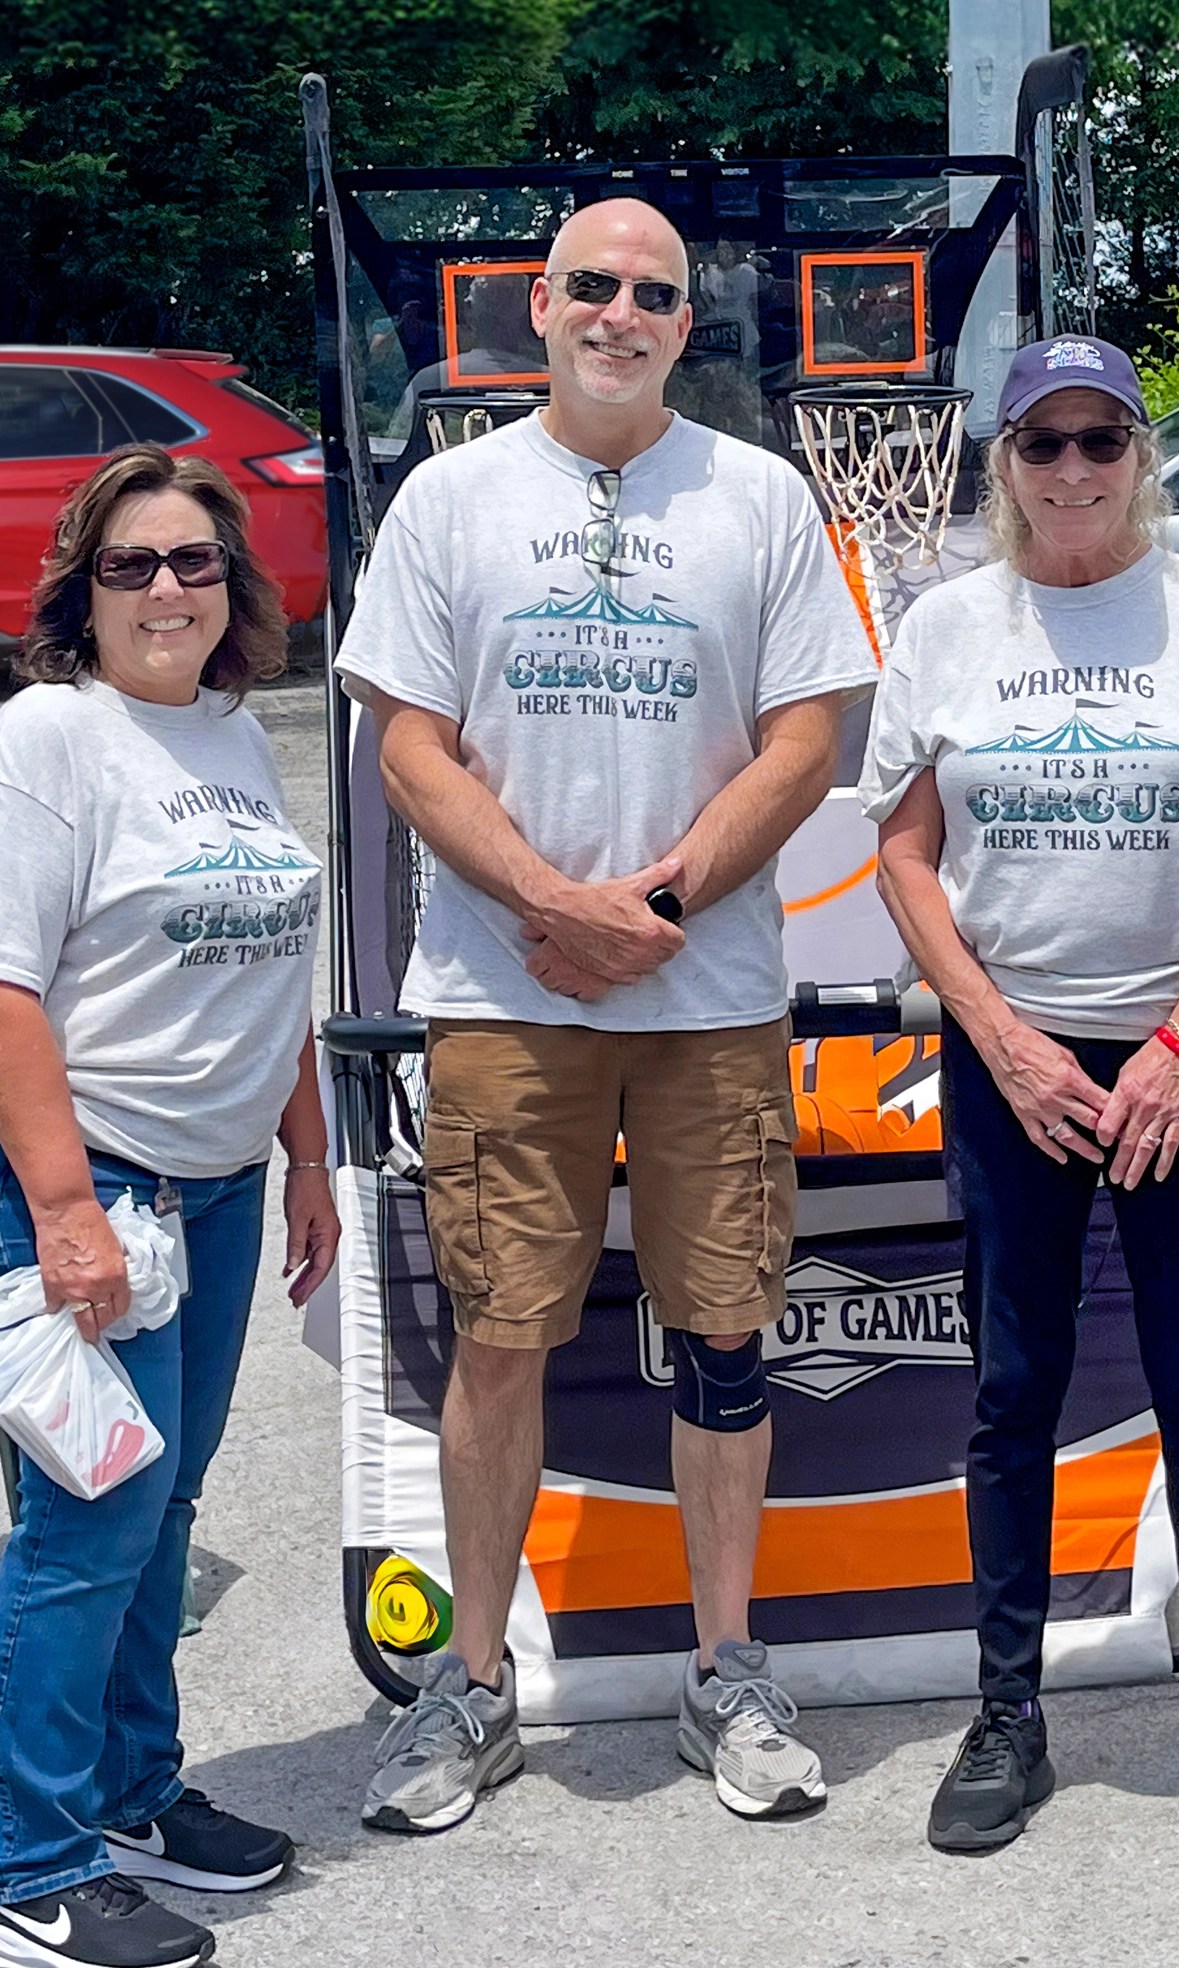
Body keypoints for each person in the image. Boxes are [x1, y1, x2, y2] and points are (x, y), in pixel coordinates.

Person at [342, 198, 882, 1832]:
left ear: (681, 324)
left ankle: (730, 1673)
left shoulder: (761, 496)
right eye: (593, 286)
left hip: (705, 993)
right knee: (502, 1331)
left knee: (728, 1328)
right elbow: (410, 746)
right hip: (506, 994)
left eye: (654, 294)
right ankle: (475, 1689)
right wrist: (546, 904)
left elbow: (807, 743)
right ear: (539, 303)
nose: (622, 315)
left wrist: (651, 905)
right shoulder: (450, 500)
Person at [862, 335, 1179, 1858]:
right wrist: (996, 1037)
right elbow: (905, 853)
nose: (1070, 472)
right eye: (1039, 445)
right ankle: (1008, 1712)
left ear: (1139, 457)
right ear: (1002, 463)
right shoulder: (947, 625)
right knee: (1012, 1387)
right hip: (1014, 1060)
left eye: (1098, 442)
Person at [0, 450, 338, 1968]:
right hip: (78, 1175)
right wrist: (64, 1219)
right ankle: (23, 1874)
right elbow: (1, 992)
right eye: (130, 566)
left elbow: (266, 959)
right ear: (79, 594)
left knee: (164, 1510)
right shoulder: (51, 740)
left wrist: (303, 1148)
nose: (167, 590)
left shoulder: (230, 736)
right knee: (88, 1524)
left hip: (219, 1181)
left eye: (193, 562)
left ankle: (128, 1792)